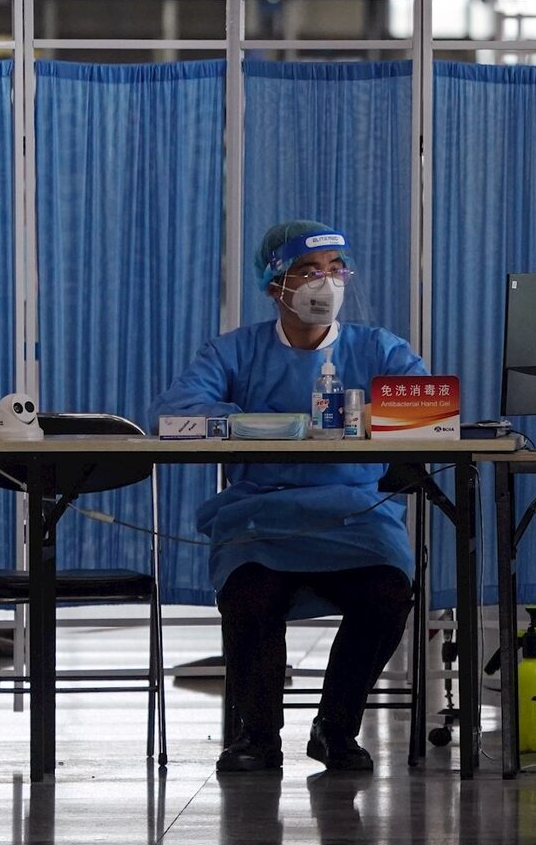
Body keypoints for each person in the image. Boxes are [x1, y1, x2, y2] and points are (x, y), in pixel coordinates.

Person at [150, 220, 426, 774]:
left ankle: (336, 729)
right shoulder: (235, 352)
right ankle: (256, 736)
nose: (325, 283)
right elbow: (175, 414)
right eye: (308, 271)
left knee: (387, 594)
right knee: (251, 596)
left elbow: (428, 409)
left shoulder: (378, 348)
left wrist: (363, 416)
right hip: (261, 515)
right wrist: (265, 424)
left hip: (354, 517)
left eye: (335, 270)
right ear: (275, 283)